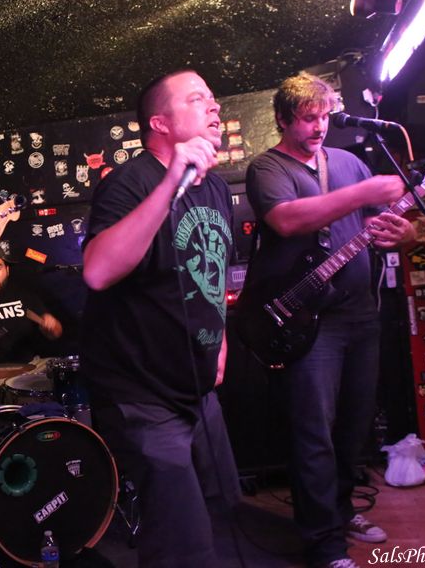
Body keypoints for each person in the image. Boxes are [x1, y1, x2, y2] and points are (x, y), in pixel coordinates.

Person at [243, 72, 415, 568]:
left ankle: (340, 513)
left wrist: (403, 234)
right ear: (282, 119)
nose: (319, 127)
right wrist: (364, 194)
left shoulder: (349, 162)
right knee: (314, 431)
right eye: (307, 118)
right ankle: (324, 544)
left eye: (324, 116)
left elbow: (389, 223)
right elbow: (288, 219)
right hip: (310, 319)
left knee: (353, 427)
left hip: (360, 312)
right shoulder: (268, 167)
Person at [81, 69, 241, 567]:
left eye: (212, 99)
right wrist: (172, 180)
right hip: (143, 394)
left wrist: (220, 339)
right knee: (181, 542)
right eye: (196, 99)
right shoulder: (131, 183)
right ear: (160, 123)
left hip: (196, 387)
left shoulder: (216, 189)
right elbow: (98, 271)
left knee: (223, 510)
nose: (214, 107)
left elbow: (212, 274)